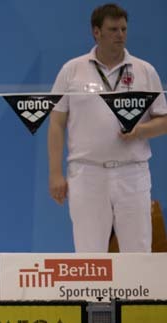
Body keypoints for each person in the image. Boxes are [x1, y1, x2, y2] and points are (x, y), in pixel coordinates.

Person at [48, 3, 167, 252]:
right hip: (86, 173)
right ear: (96, 32)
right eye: (113, 29)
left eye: (124, 29)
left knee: (138, 251)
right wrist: (55, 173)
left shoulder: (145, 71)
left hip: (132, 172)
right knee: (89, 254)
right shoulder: (72, 70)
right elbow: (56, 123)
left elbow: (164, 120)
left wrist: (140, 131)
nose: (120, 35)